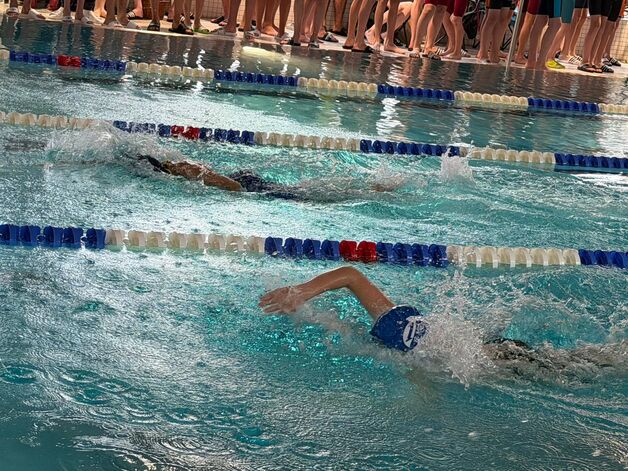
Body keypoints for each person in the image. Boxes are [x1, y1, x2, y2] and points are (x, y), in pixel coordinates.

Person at [259, 267, 627, 377]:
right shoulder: (393, 322)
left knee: (579, 368)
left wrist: (302, 292)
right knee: (580, 360)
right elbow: (351, 276)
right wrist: (302, 291)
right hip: (493, 351)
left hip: (500, 361)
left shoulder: (391, 332)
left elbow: (419, 373)